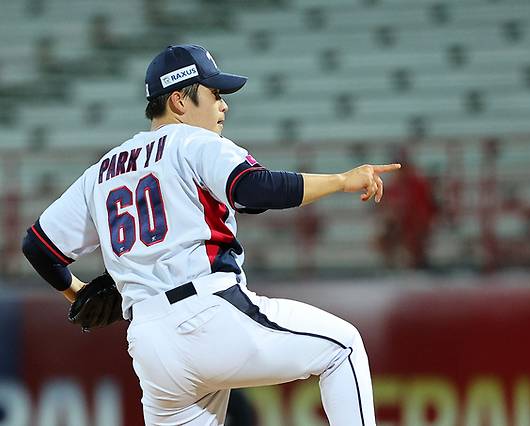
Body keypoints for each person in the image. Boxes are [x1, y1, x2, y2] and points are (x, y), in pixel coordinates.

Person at [21, 44, 400, 425]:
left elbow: (38, 246)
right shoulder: (192, 141)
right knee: (343, 347)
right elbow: (253, 188)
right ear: (179, 102)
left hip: (150, 343)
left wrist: (78, 291)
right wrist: (340, 180)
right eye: (214, 93)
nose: (224, 105)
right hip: (208, 314)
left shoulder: (102, 172)